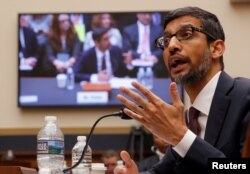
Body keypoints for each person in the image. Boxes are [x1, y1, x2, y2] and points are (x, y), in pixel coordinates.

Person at [114, 6, 250, 174]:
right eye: (165, 40)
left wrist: (181, 138)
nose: (171, 46)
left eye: (186, 34)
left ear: (216, 49)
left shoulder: (245, 97)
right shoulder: (189, 117)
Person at [122, 12, 168, 77]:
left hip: (153, 64)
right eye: (144, 14)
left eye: (150, 14)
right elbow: (127, 50)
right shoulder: (128, 30)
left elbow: (162, 48)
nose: (147, 17)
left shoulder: (159, 30)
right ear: (138, 14)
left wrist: (153, 56)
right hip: (135, 64)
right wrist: (143, 56)